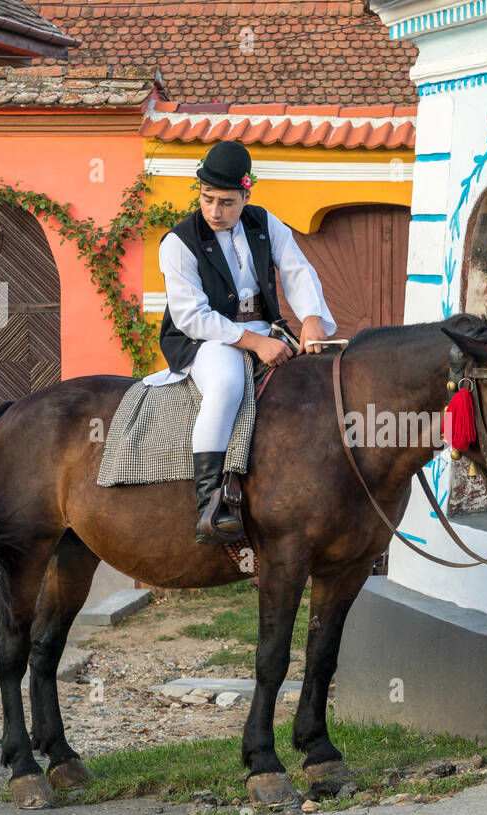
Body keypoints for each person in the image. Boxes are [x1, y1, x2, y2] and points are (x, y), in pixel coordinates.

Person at [141, 141, 336, 545]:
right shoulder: (178, 242)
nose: (215, 211)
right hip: (204, 339)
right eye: (207, 199)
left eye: (227, 202)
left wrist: (313, 319)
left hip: (265, 329)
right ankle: (211, 503)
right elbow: (192, 316)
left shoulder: (265, 223)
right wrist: (251, 342)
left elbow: (298, 270)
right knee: (227, 384)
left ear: (247, 195)